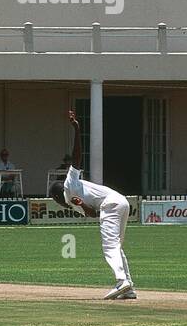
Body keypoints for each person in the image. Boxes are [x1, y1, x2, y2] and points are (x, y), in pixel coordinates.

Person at [49, 111, 135, 300]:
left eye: (56, 201)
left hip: (111, 204)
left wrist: (77, 129)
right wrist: (82, 205)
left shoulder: (68, 185)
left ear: (57, 197)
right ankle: (129, 288)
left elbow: (76, 158)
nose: (59, 205)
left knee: (109, 246)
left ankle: (122, 281)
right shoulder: (74, 203)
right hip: (120, 203)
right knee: (117, 246)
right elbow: (94, 214)